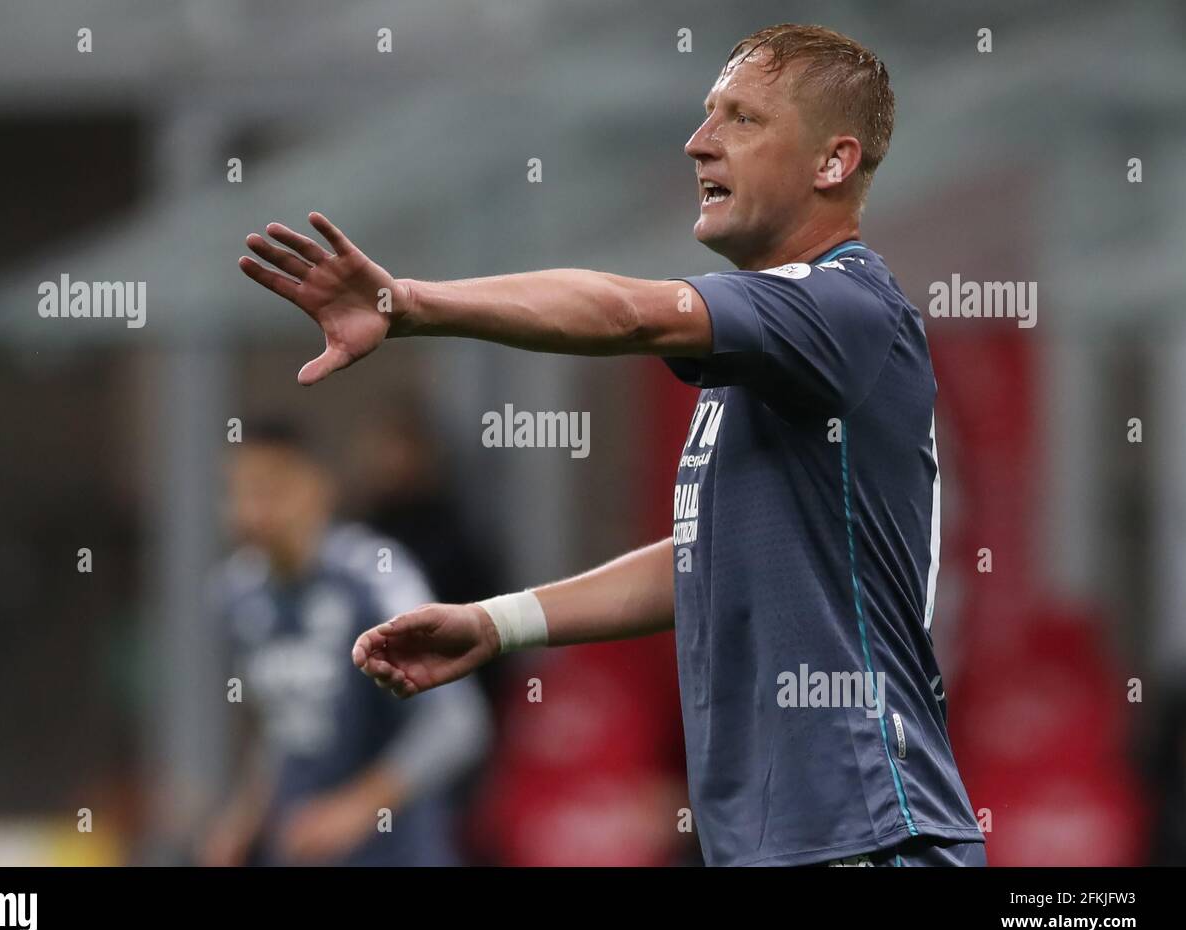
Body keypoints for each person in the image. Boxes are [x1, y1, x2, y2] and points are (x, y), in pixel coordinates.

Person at [238, 23, 985, 867]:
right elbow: (709, 555)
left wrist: (410, 303)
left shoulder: (846, 308)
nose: (699, 142)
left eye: (741, 118)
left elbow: (626, 312)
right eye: (707, 114)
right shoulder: (772, 357)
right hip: (784, 845)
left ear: (832, 162)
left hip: (874, 836)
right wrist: (499, 621)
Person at [200, 419, 490, 866]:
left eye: (269, 489)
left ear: (317, 488)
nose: (252, 510)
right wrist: (244, 818)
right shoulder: (237, 594)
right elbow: (291, 727)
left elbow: (458, 723)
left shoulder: (374, 577)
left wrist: (357, 809)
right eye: (239, 492)